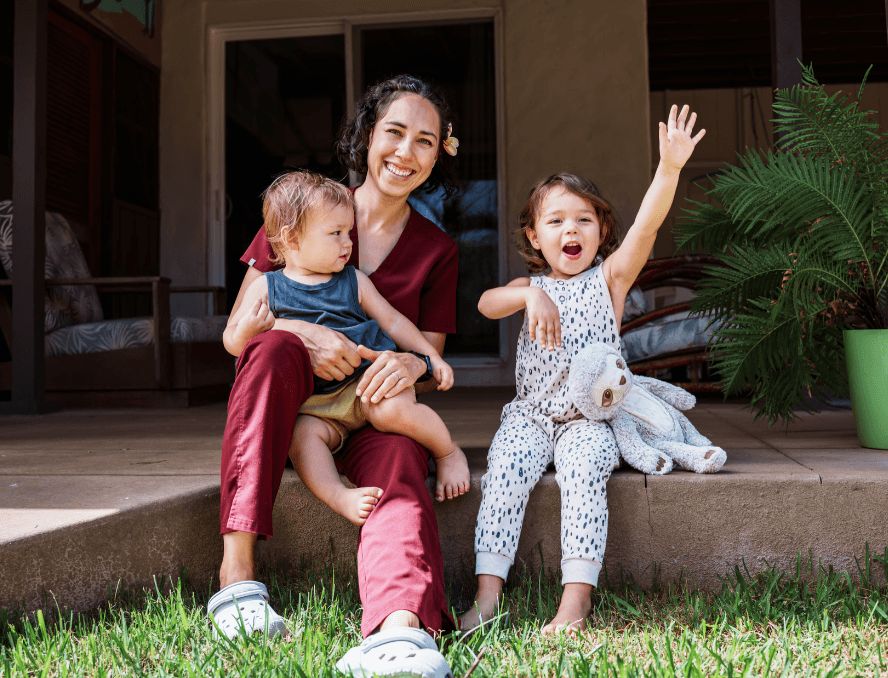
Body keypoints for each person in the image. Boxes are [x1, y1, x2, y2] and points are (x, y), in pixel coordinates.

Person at [208, 75, 463, 677]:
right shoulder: (303, 209)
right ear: (367, 135)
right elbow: (239, 334)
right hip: (296, 406)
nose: (406, 152)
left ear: (438, 154)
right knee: (272, 352)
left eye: (425, 141)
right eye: (394, 132)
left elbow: (426, 354)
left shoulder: (437, 249)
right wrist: (305, 335)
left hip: (373, 400)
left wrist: (415, 362)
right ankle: (237, 579)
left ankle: (399, 630)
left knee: (400, 456)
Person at [460, 105, 705, 636]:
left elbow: (647, 227)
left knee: (583, 475)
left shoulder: (609, 281)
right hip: (530, 414)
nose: (570, 229)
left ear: (601, 231)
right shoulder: (528, 288)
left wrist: (668, 169)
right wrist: (530, 298)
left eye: (584, 220)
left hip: (589, 422)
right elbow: (484, 303)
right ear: (533, 236)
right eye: (555, 221)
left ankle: (576, 598)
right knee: (504, 471)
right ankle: (488, 593)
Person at [226, 170, 470, 524]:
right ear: (292, 240)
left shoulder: (354, 280)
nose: (348, 243)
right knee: (303, 438)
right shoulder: (266, 288)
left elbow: (395, 322)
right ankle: (338, 496)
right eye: (335, 234)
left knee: (391, 411)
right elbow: (234, 342)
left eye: (348, 232)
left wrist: (430, 358)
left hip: (366, 386)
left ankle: (447, 452)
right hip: (314, 405)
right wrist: (247, 330)